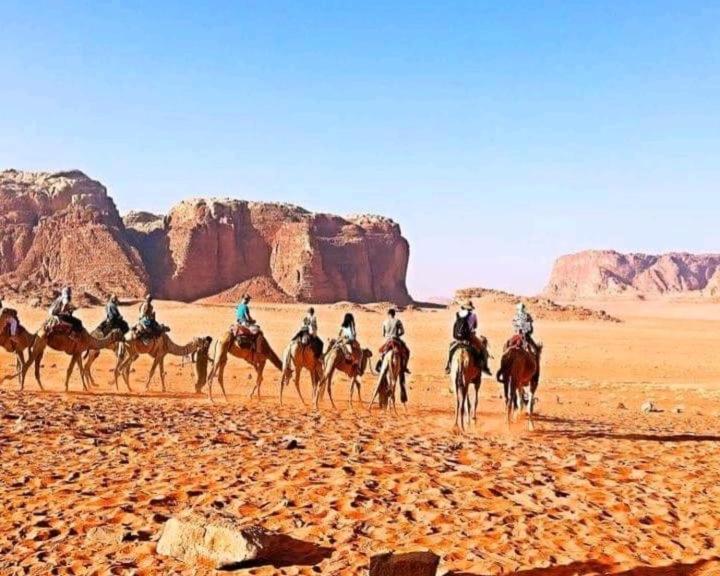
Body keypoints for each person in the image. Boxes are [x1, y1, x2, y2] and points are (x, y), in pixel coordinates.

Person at [444, 300, 491, 376]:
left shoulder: (458, 314)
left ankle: (448, 366)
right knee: (483, 349)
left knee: (451, 348)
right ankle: (485, 368)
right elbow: (475, 326)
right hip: (470, 337)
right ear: (471, 308)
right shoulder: (473, 315)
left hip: (458, 338)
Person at [377, 308, 410, 374]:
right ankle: (404, 367)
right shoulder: (398, 321)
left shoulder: (385, 322)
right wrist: (397, 335)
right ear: (394, 314)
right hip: (396, 339)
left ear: (388, 314)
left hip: (388, 340)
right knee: (407, 351)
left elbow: (383, 334)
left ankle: (380, 365)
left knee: (381, 351)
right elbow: (402, 332)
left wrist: (388, 335)